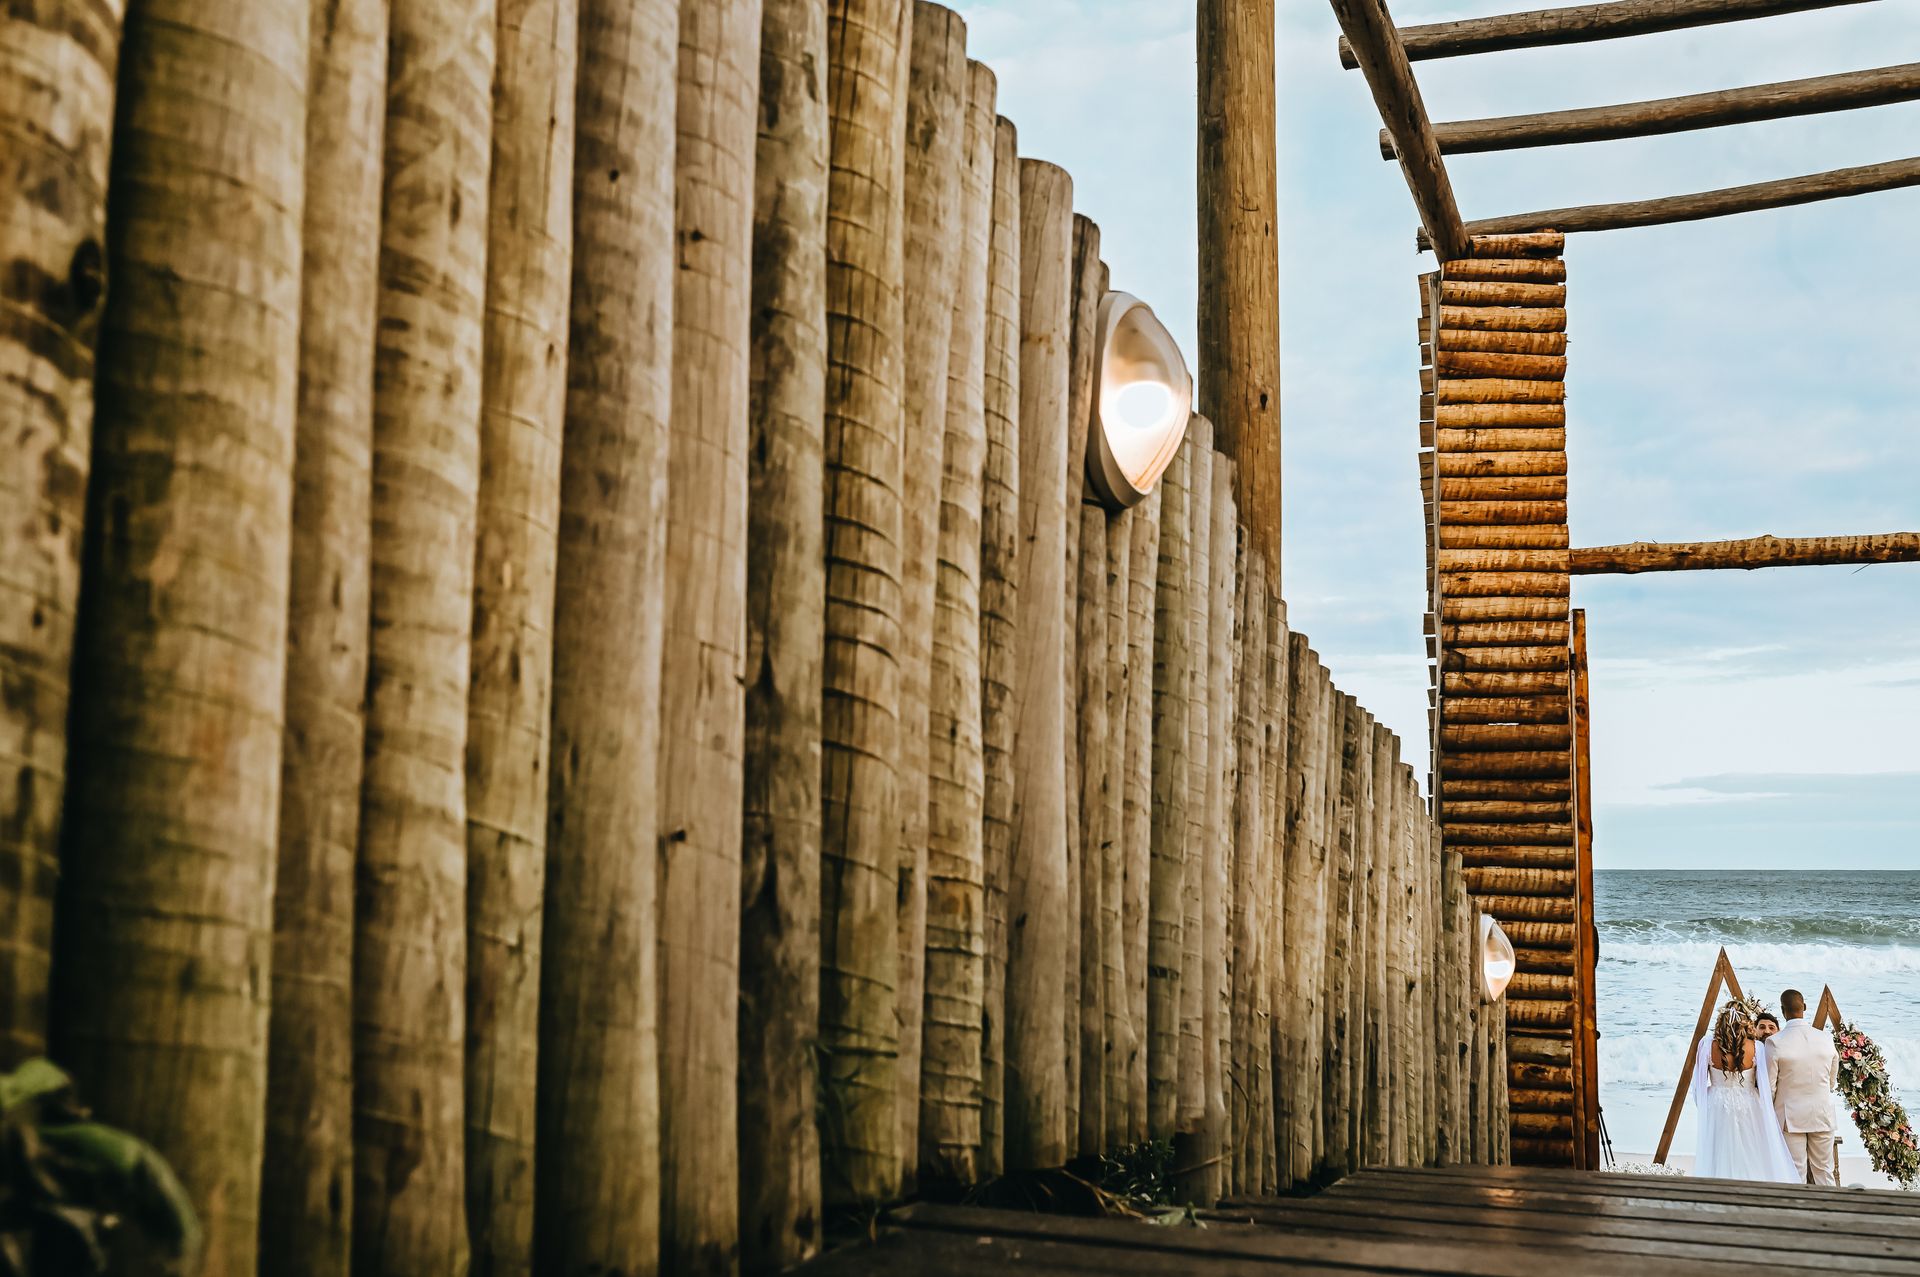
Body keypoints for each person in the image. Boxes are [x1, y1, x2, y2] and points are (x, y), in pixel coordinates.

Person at [1693, 999, 1799, 1182]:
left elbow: (1698, 1085)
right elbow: (1765, 1085)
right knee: (1753, 1150)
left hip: (1718, 1104)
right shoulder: (1756, 1047)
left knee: (1719, 1150)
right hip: (1749, 1104)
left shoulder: (1707, 1044)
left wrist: (1705, 1106)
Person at [1770, 988, 1841, 1185]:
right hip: (1822, 1112)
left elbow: (1770, 1087)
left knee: (1795, 1171)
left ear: (1783, 1011)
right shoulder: (1825, 1038)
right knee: (1825, 1171)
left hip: (1791, 1117)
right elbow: (1831, 1080)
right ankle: (1831, 1213)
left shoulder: (1774, 1042)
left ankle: (1797, 1213)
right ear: (1805, 1007)